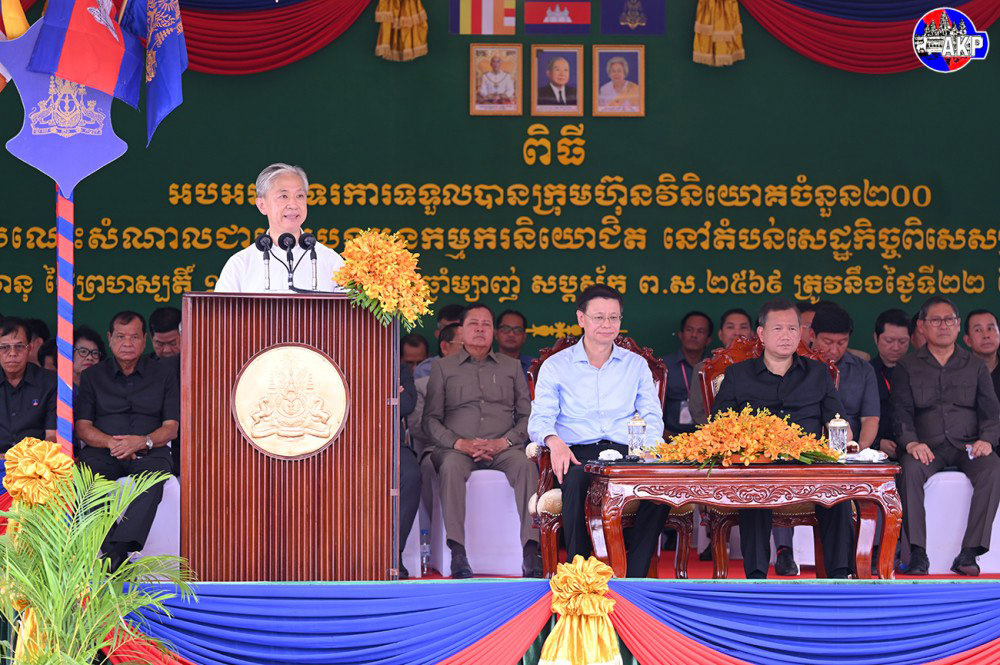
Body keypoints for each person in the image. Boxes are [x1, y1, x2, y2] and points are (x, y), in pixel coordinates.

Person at [528, 285, 668, 577]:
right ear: (581, 318)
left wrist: (650, 448)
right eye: (599, 317)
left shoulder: (635, 365)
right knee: (576, 480)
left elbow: (652, 415)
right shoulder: (556, 366)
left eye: (614, 318)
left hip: (627, 451)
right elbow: (540, 419)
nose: (607, 324)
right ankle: (579, 573)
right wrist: (553, 441)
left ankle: (633, 575)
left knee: (659, 490)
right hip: (578, 452)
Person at [712, 299, 853, 579]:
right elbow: (718, 425)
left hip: (808, 465)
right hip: (759, 463)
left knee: (836, 490)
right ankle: (756, 578)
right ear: (762, 334)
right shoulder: (738, 375)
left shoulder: (818, 373)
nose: (786, 335)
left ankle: (839, 577)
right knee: (754, 486)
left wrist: (844, 437)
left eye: (792, 328)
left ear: (801, 333)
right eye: (778, 328)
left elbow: (839, 424)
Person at [423, 303, 540, 579]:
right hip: (457, 449)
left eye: (486, 324)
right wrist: (457, 443)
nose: (479, 329)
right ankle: (458, 552)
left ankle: (531, 552)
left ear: (493, 332)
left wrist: (504, 442)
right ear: (461, 331)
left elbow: (527, 416)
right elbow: (430, 420)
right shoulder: (443, 367)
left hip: (503, 448)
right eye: (473, 324)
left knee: (526, 465)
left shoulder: (512, 367)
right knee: (451, 466)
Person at [893, 296, 1000, 576]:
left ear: (958, 324)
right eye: (936, 320)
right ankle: (917, 553)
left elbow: (991, 412)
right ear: (922, 326)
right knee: (909, 468)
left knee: (993, 467)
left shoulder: (975, 365)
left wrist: (987, 439)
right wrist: (911, 442)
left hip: (968, 446)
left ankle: (970, 552)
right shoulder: (907, 366)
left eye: (949, 320)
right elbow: (901, 412)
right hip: (927, 448)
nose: (943, 326)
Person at [75, 311, 179, 571]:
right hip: (104, 451)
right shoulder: (92, 376)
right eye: (120, 337)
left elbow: (171, 428)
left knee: (154, 479)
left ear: (144, 340)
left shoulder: (164, 374)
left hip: (149, 450)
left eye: (134, 337)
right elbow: (83, 427)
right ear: (110, 338)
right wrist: (112, 443)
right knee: (85, 479)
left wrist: (142, 441)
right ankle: (115, 553)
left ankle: (117, 553)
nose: (127, 343)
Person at [215, 163, 344, 293]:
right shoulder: (240, 265)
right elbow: (221, 306)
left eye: (300, 196)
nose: (293, 205)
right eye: (283, 196)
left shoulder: (331, 262)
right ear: (262, 205)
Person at [811, 306, 880, 451]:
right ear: (812, 335)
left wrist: (860, 450)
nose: (834, 350)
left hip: (850, 449)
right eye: (828, 342)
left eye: (842, 343)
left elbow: (870, 418)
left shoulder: (863, 370)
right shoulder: (797, 367)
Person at [688, 308, 753, 426]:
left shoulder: (765, 366)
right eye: (730, 327)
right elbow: (698, 412)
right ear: (720, 334)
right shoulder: (705, 368)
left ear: (753, 334)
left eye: (743, 327)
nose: (737, 333)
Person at [0, 318, 56, 452]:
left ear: (30, 348)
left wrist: (28, 458)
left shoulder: (50, 382)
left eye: (19, 346)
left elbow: (52, 437)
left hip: (36, 460)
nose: (12, 353)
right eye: (4, 347)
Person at [870, 309, 911, 458]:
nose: (896, 347)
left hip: (912, 449)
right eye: (889, 341)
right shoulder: (865, 373)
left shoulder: (918, 372)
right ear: (876, 338)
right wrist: (877, 442)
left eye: (902, 341)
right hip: (874, 451)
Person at [663, 311, 712, 436]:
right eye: (689, 330)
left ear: (708, 339)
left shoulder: (714, 367)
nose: (694, 335)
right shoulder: (664, 365)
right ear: (680, 334)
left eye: (700, 331)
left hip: (707, 436)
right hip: (669, 435)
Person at [398, 362, 421, 579]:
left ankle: (394, 552)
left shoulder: (398, 367)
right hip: (344, 442)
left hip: (390, 442)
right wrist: (386, 392)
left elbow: (405, 405)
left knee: (411, 475)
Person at [414, 304, 466, 379]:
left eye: (457, 329)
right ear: (438, 334)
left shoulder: (480, 367)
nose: (452, 335)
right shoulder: (426, 370)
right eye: (447, 331)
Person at [964, 309, 1000, 399]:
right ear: (968, 340)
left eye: (990, 329)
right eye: (978, 330)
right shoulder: (956, 373)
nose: (986, 335)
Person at [495, 309, 534, 382]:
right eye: (505, 328)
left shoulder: (534, 367)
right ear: (496, 333)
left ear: (524, 336)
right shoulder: (484, 365)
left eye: (518, 330)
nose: (511, 334)